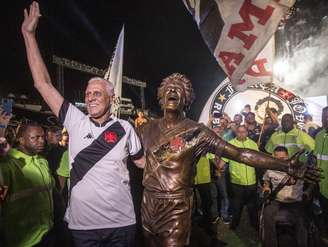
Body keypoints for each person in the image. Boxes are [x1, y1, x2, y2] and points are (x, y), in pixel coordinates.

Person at [138, 73, 320, 247]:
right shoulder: (146, 128)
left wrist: (284, 165)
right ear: (161, 96)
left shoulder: (196, 132)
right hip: (148, 203)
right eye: (168, 89)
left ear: (186, 99)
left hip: (175, 206)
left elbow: (240, 154)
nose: (172, 91)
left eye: (178, 89)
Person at [22, 2, 145, 246]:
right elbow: (42, 84)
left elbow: (143, 164)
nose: (90, 97)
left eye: (97, 93)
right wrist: (29, 35)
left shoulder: (125, 128)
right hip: (83, 228)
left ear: (112, 98)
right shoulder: (75, 120)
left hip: (121, 224)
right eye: (88, 94)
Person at [0, 122, 55, 247]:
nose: (41, 141)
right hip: (22, 241)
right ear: (21, 139)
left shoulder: (42, 161)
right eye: (35, 138)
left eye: (43, 137)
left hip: (47, 234)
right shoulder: (8, 164)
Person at [263, 146, 308, 247]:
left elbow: (309, 181)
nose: (280, 161)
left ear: (288, 156)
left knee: (302, 221)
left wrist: (306, 191)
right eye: (277, 158)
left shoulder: (299, 168)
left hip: (295, 201)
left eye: (283, 158)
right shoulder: (271, 168)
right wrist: (266, 186)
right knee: (267, 215)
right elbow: (266, 179)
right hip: (277, 201)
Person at [220, 125, 259, 229]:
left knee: (252, 205)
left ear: (247, 132)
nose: (241, 134)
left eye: (243, 132)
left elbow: (258, 160)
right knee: (237, 205)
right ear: (236, 133)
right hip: (236, 181)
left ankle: (255, 224)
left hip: (251, 180)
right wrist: (218, 166)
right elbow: (223, 161)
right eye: (239, 132)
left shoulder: (253, 144)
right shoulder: (231, 145)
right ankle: (234, 224)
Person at [314, 106, 328, 241]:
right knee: (325, 212)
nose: (326, 120)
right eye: (324, 117)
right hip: (322, 185)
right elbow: (315, 156)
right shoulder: (319, 135)